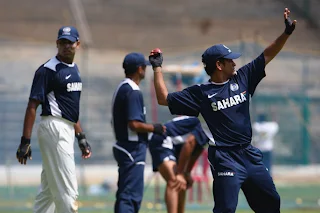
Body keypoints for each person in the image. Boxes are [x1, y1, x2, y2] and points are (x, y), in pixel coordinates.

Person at [149, 8, 296, 213]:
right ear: (219, 65)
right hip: (225, 158)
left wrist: (286, 33)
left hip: (249, 154)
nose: (235, 62)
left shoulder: (243, 77)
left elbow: (267, 55)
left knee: (272, 203)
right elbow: (163, 99)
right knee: (225, 209)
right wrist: (157, 68)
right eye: (229, 59)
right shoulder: (200, 93)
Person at [16, 26, 92, 213]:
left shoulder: (74, 69)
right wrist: (25, 141)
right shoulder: (47, 70)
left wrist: (80, 136)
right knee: (68, 192)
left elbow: (70, 109)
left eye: (70, 42)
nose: (67, 46)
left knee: (49, 192)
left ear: (78, 44)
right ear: (57, 44)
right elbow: (32, 105)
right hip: (54, 127)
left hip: (65, 127)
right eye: (63, 42)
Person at [111, 52, 166, 213]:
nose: (145, 70)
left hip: (125, 146)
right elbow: (134, 124)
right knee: (130, 196)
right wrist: (155, 128)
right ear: (139, 69)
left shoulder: (122, 87)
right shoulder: (133, 91)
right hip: (132, 149)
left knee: (124, 194)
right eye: (144, 67)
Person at [149, 116, 209, 213]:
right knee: (174, 181)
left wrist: (187, 173)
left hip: (175, 145)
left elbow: (198, 148)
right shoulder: (208, 123)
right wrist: (181, 173)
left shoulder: (212, 127)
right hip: (162, 139)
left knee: (182, 182)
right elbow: (189, 143)